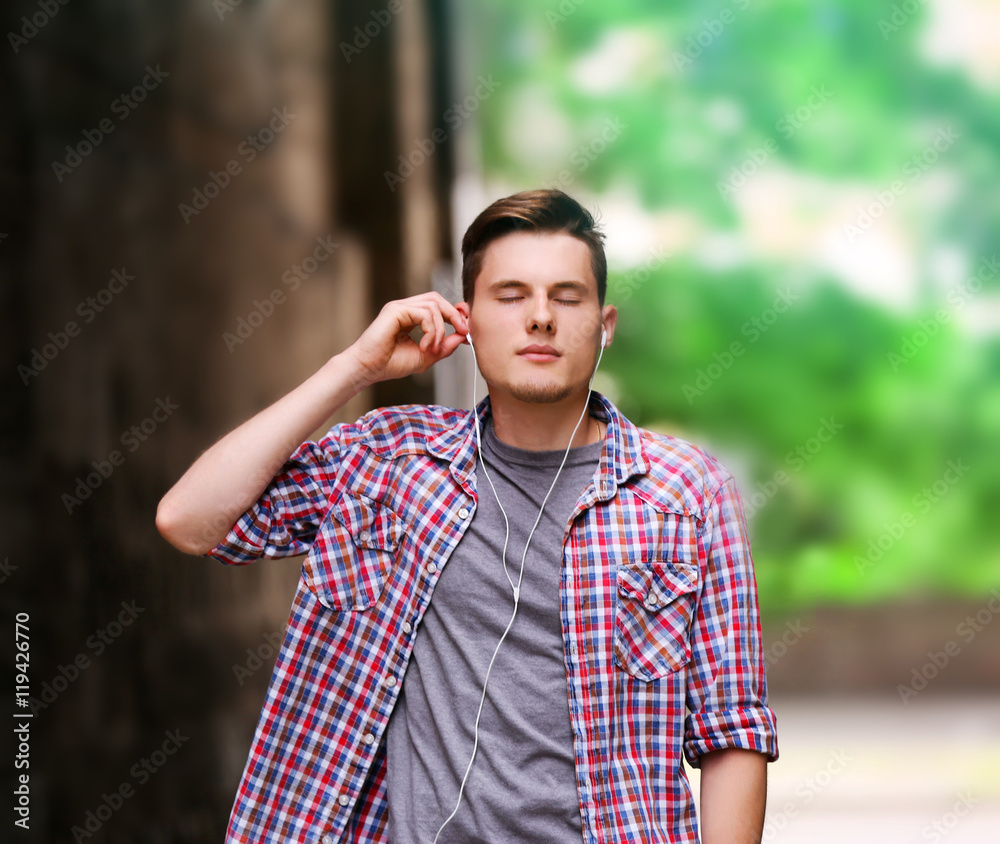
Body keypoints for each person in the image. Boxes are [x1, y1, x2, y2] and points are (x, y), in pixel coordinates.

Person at [156, 188, 778, 844]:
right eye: (510, 296)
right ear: (467, 318)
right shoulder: (388, 462)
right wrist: (354, 367)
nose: (540, 318)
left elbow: (731, 729)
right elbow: (189, 520)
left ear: (605, 325)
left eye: (567, 297)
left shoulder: (686, 494)